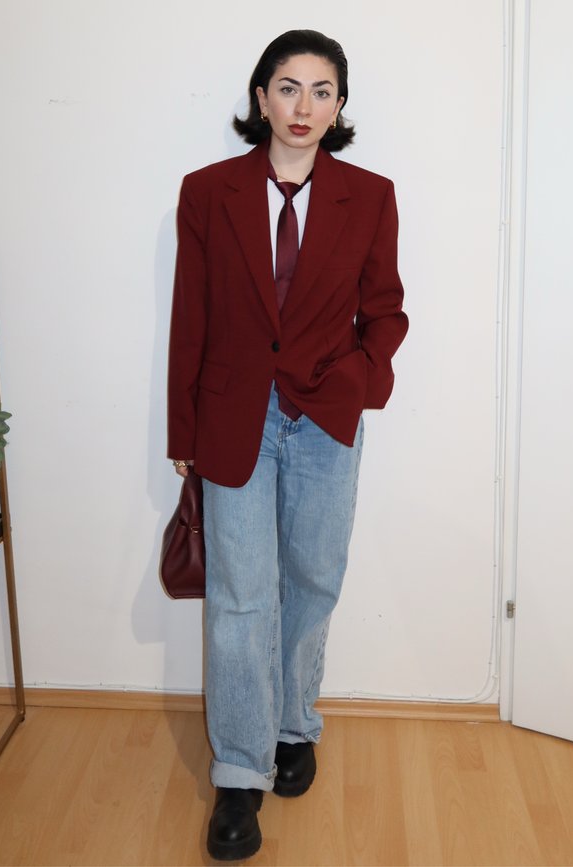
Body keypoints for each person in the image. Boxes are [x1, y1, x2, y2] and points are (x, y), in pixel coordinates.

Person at [167, 29, 408, 861]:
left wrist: (361, 382)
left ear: (340, 106)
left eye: (322, 91)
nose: (304, 107)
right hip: (235, 416)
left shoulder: (370, 196)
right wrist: (182, 430)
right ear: (260, 96)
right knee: (241, 592)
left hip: (326, 418)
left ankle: (290, 722)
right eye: (288, 87)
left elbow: (387, 309)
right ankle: (239, 771)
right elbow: (189, 316)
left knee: (312, 574)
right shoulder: (208, 192)